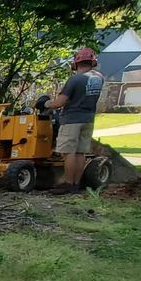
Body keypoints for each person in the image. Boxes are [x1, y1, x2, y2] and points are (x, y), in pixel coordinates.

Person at [43, 46, 104, 193]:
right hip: (88, 119)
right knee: (80, 152)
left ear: (76, 63)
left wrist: (46, 103)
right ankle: (76, 183)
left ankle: (68, 183)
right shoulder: (99, 78)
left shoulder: (76, 79)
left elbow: (60, 103)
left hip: (72, 119)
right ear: (92, 62)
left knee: (69, 152)